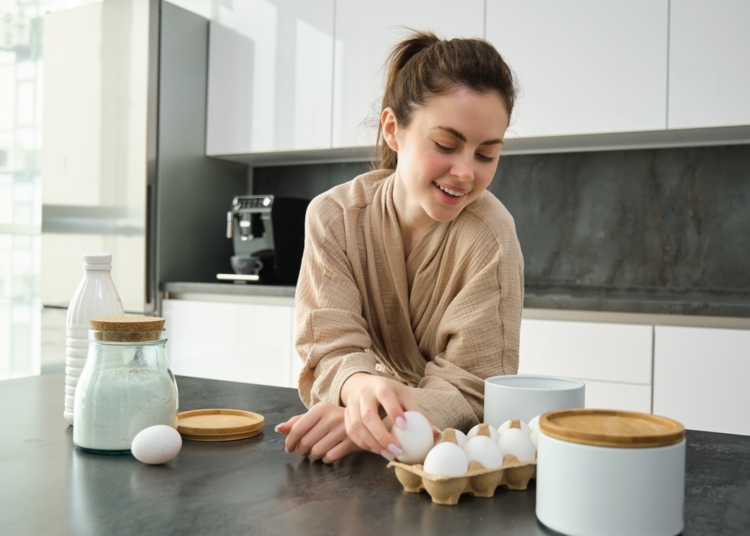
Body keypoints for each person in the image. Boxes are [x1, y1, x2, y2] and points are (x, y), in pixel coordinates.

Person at [276, 31, 523, 464]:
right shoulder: (334, 218)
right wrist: (360, 393)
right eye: (446, 145)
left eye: (486, 154)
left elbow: (472, 383)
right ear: (393, 129)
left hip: (447, 456)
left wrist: (381, 422)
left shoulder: (491, 237)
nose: (465, 172)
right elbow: (331, 346)